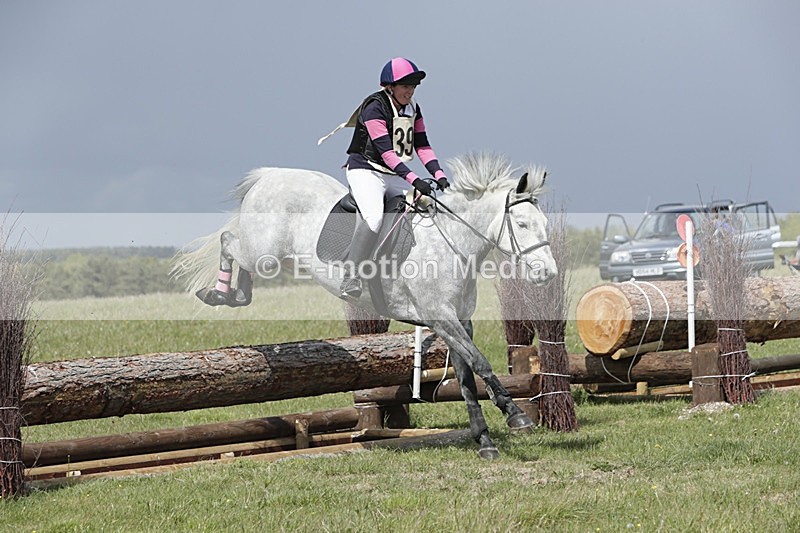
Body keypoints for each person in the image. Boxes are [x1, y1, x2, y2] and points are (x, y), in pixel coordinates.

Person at [338, 57, 450, 299]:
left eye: (413, 86)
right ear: (390, 87)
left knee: (430, 208)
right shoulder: (373, 108)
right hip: (366, 171)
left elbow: (422, 146)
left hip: (393, 173)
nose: (410, 91)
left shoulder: (413, 109)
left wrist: (439, 175)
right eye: (405, 86)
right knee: (374, 218)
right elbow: (386, 153)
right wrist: (414, 180)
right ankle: (350, 277)